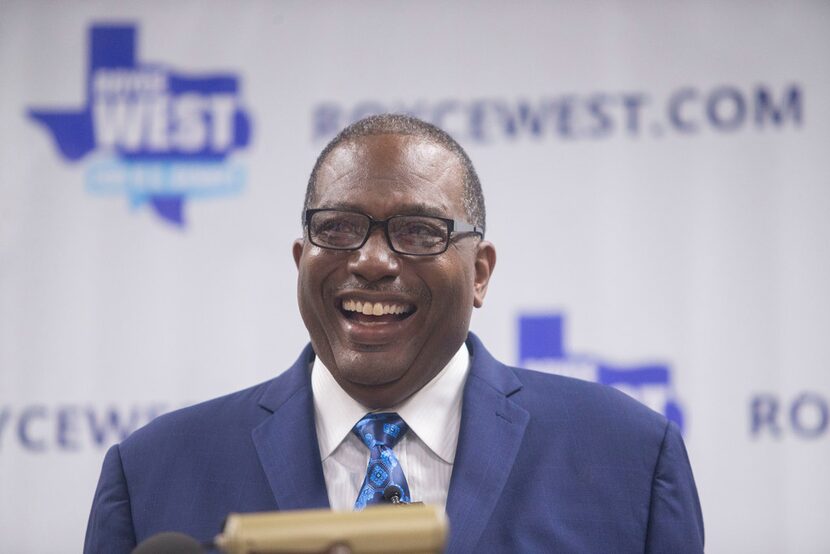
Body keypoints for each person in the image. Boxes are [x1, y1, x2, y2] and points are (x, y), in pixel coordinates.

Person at [84, 114, 704, 553]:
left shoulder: (626, 459)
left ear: (480, 273)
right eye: (339, 227)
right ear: (302, 259)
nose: (373, 262)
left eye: (417, 231)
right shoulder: (152, 475)